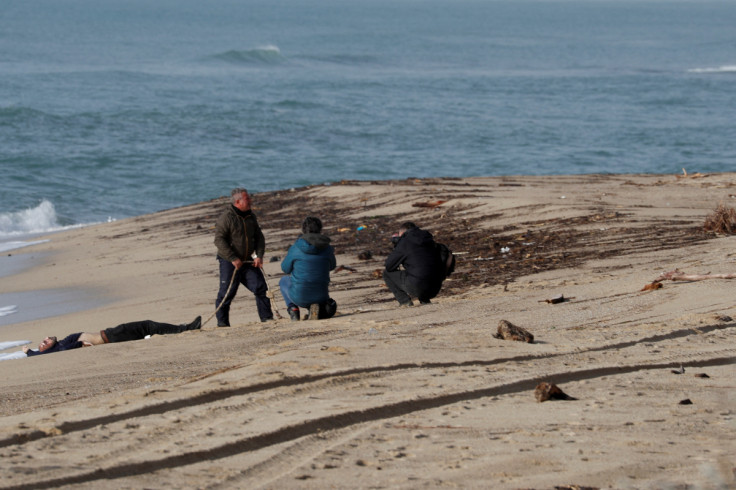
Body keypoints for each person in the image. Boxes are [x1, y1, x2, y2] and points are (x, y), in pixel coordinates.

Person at [214, 188, 273, 326]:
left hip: (247, 260)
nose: (251, 201)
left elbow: (259, 237)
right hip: (229, 261)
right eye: (248, 199)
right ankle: (222, 324)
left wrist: (259, 255)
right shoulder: (226, 217)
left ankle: (267, 318)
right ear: (238, 201)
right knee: (227, 294)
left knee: (261, 288)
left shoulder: (251, 216)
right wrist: (233, 258)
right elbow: (219, 240)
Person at [23, 316, 202, 356]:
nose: (46, 338)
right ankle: (183, 329)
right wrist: (80, 345)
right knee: (147, 326)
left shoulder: (61, 343)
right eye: (44, 342)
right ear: (48, 348)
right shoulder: (61, 347)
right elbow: (49, 354)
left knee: (147, 329)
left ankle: (182, 329)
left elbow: (41, 354)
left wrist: (30, 352)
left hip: (111, 334)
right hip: (112, 335)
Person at [279, 216, 337, 321]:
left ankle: (293, 309)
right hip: (322, 296)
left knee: (284, 280)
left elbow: (285, 269)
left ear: (303, 229)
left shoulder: (295, 247)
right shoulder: (327, 248)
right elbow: (332, 266)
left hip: (300, 296)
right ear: (320, 229)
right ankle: (313, 308)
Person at [383, 222, 446, 307]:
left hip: (418, 286)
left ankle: (405, 301)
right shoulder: (428, 239)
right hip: (436, 287)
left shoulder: (404, 242)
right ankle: (425, 300)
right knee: (421, 268)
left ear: (402, 233)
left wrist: (397, 246)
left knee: (386, 273)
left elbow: (389, 266)